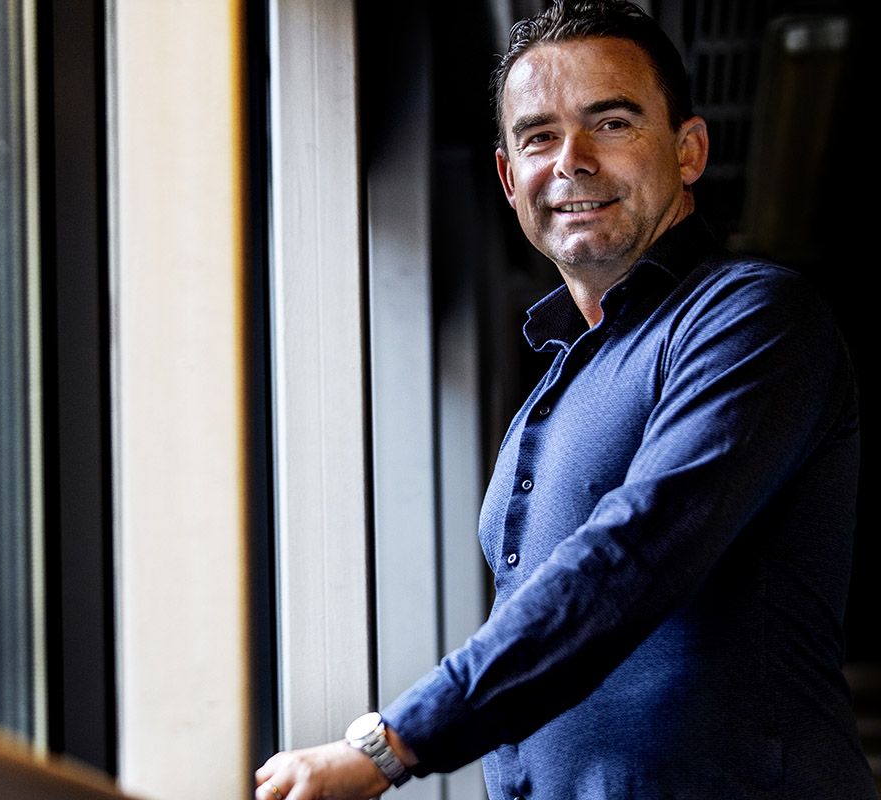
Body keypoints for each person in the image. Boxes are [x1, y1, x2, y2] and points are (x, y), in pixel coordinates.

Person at [255, 1, 875, 798]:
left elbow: (637, 553)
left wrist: (391, 744)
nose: (571, 161)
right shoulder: (557, 381)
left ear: (689, 150)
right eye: (539, 137)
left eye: (610, 123)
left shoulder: (751, 316)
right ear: (509, 179)